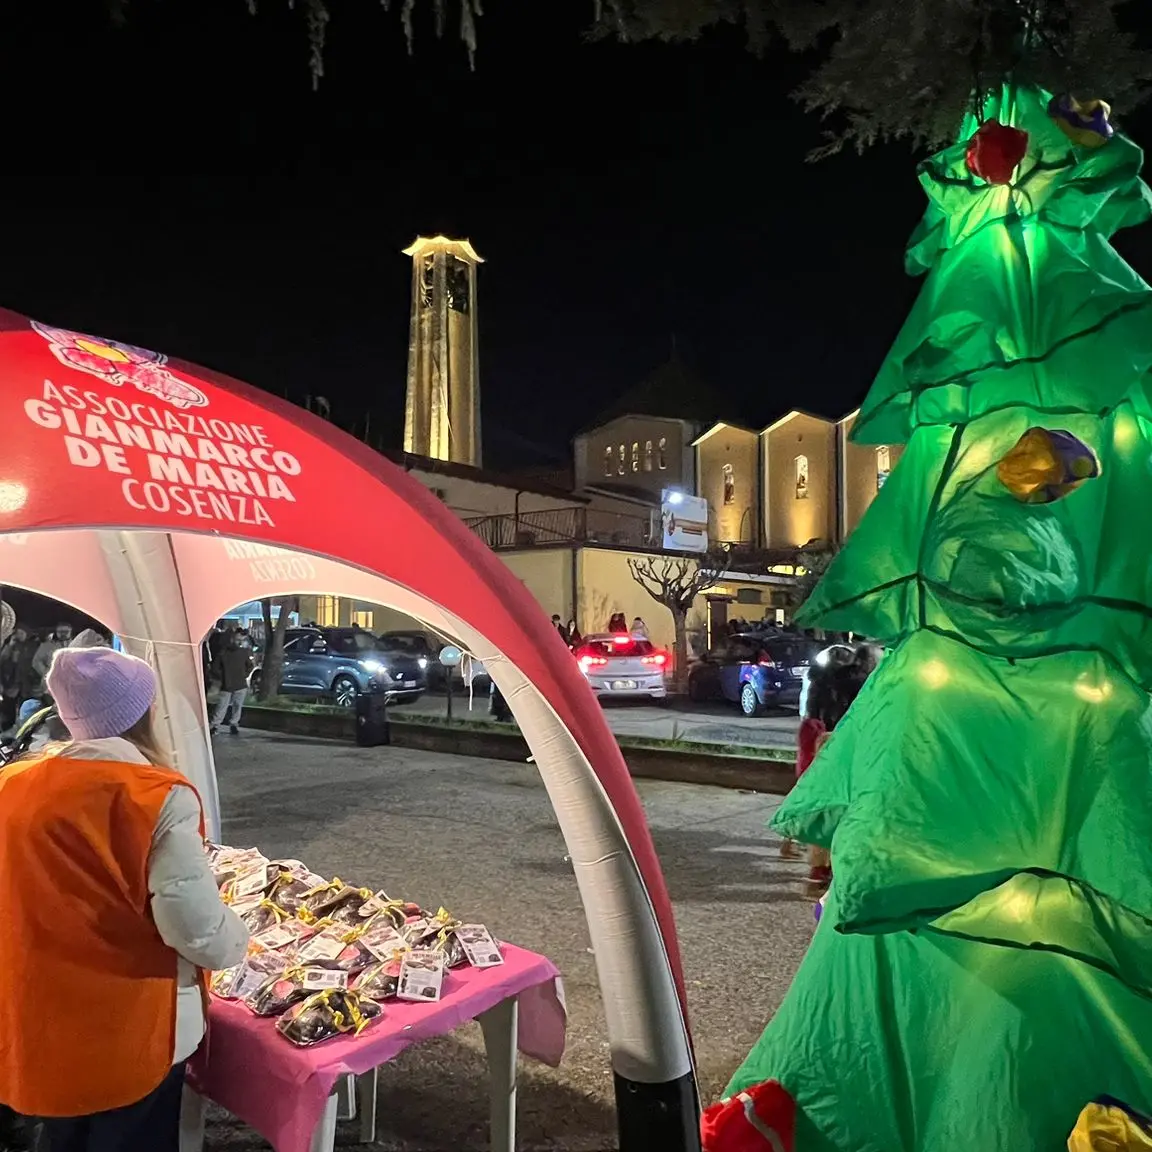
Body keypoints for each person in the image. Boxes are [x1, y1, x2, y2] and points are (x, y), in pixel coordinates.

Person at [0, 646, 249, 1152]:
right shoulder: (154, 795)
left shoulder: (12, 783)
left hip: (39, 1012)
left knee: (62, 1135)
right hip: (130, 1025)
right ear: (144, 712)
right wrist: (238, 940)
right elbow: (195, 928)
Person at [211, 629, 254, 736]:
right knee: (224, 705)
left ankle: (229, 724)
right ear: (232, 639)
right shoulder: (224, 653)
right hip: (231, 684)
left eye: (240, 640)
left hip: (235, 684)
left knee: (234, 705)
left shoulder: (241, 652)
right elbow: (215, 668)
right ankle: (217, 725)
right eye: (237, 639)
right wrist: (224, 677)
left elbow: (250, 666)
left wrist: (243, 675)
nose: (239, 642)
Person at [30, 623, 72, 695]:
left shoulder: (76, 645)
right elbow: (36, 661)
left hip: (71, 684)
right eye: (60, 631)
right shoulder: (47, 646)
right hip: (51, 685)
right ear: (56, 632)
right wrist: (46, 672)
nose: (63, 634)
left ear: (70, 632)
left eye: (66, 631)